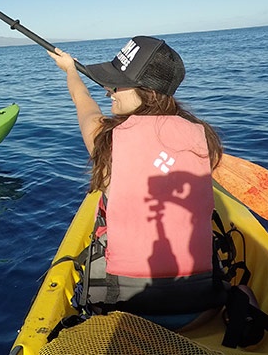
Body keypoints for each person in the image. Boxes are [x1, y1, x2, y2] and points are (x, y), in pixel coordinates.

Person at [48, 36, 226, 330]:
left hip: (125, 309)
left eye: (117, 84)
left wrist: (69, 70)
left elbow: (84, 103)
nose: (108, 91)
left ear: (148, 90)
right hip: (201, 307)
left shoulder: (106, 139)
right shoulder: (202, 136)